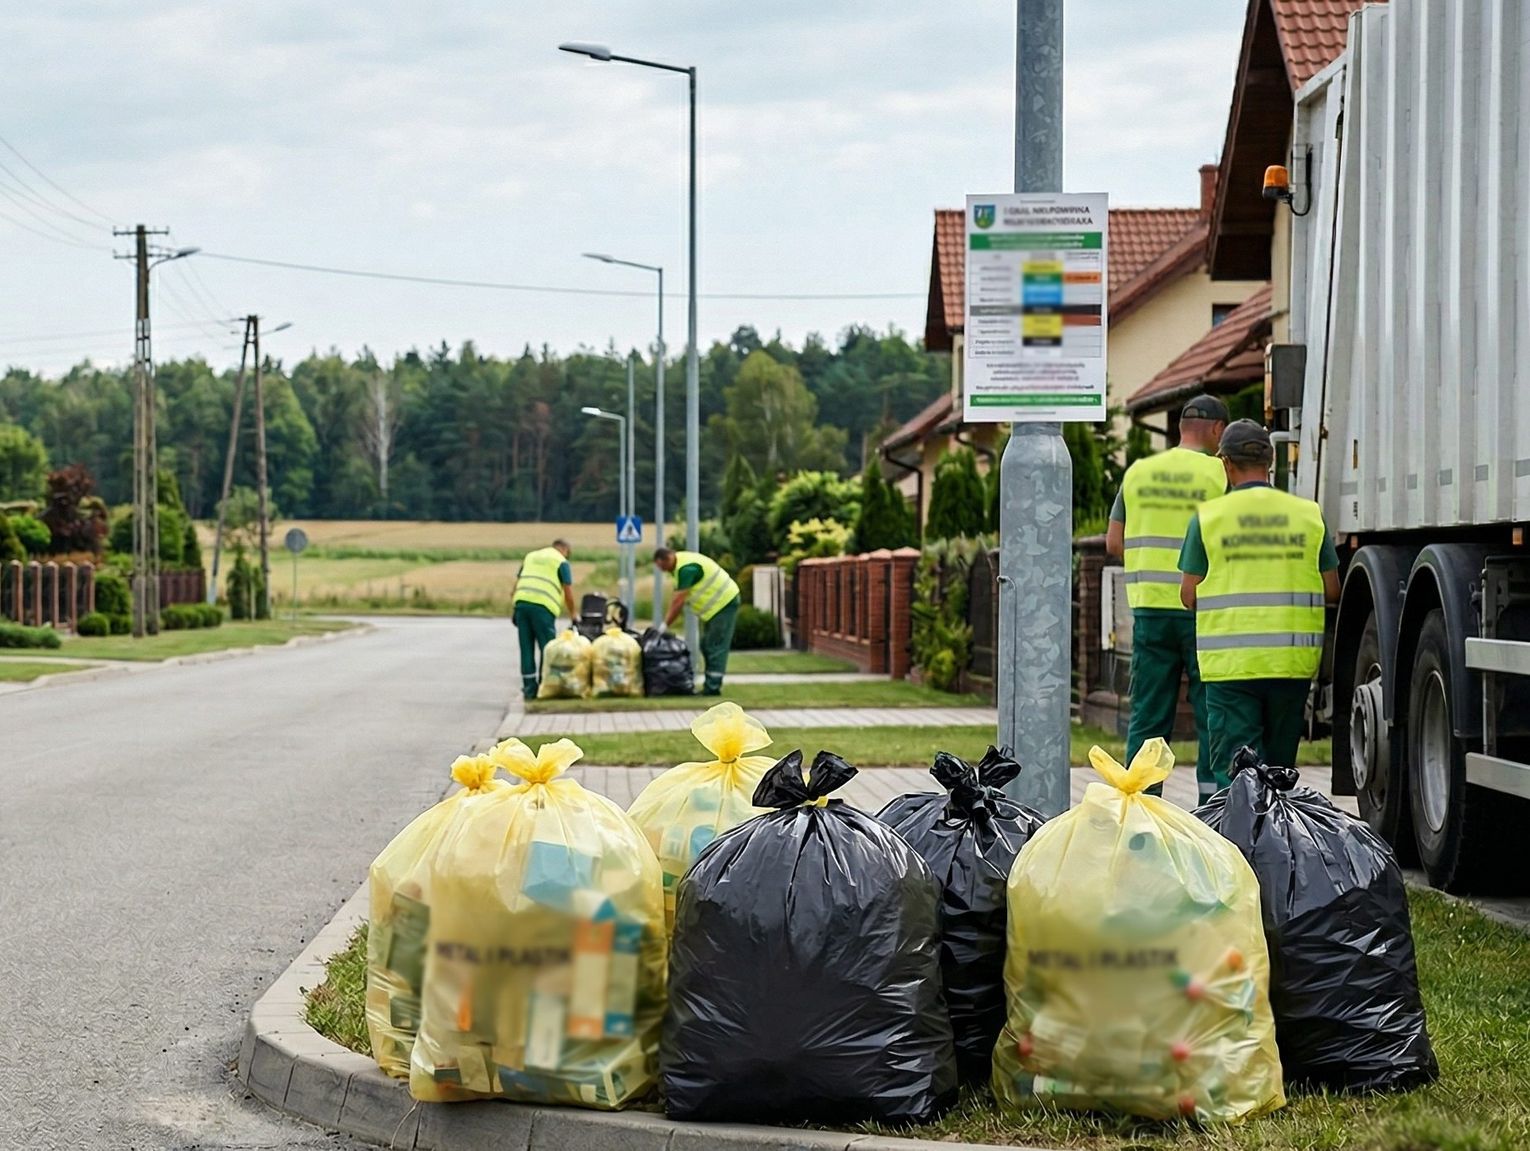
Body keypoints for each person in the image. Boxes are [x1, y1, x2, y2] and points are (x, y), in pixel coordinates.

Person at [1178, 419, 1341, 786]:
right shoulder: (1308, 515)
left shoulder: (1208, 518)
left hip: (1231, 668)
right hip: (1290, 665)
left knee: (1238, 779)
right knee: (1279, 777)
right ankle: (1275, 843)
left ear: (1226, 464)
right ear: (1269, 462)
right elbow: (1333, 590)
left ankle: (1237, 843)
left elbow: (1189, 594)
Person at [1106, 395, 1230, 800]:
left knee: (1147, 715)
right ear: (1216, 429)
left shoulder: (1139, 472)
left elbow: (1113, 542)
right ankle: (1212, 805)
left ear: (1181, 428)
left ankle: (1140, 803)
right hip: (1202, 608)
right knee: (1210, 711)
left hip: (1150, 611)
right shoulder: (1219, 473)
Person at [653, 546, 740, 695]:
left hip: (724, 603)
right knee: (706, 645)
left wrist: (663, 626)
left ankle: (712, 688)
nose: (663, 571)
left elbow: (678, 602)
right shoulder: (681, 564)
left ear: (667, 559)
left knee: (715, 646)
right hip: (716, 609)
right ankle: (711, 684)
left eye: (662, 567)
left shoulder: (686, 569)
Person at [511, 539, 577, 701]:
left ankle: (529, 689)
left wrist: (515, 607)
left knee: (526, 649)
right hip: (543, 608)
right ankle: (544, 686)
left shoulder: (531, 556)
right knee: (548, 649)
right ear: (565, 550)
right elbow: (568, 592)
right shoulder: (561, 561)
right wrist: (574, 614)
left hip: (521, 604)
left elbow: (517, 584)